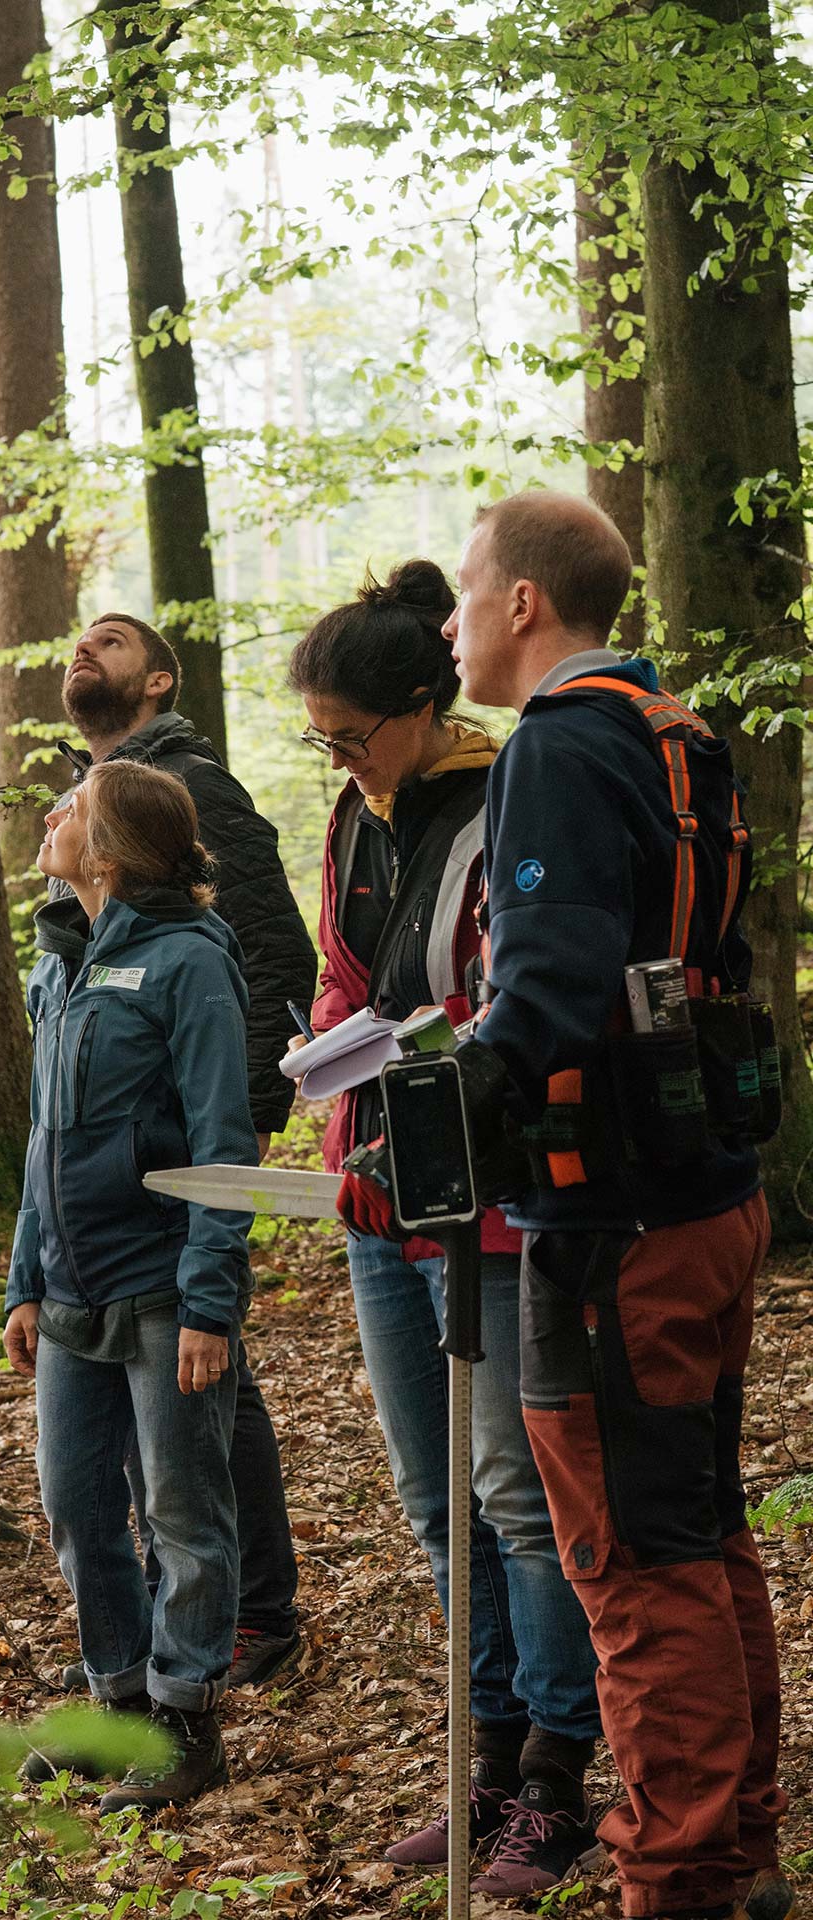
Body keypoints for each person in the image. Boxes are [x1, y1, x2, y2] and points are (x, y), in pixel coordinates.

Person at [406, 488, 785, 1920]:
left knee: (634, 1563)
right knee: (696, 1531)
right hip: (702, 1187)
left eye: (464, 591)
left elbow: (552, 992)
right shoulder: (675, 729)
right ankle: (733, 1850)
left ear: (522, 605)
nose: (444, 623)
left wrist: (437, 1107)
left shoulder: (561, 747)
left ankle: (679, 1875)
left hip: (616, 1218)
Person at [288, 563, 604, 1896]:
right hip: (376, 1198)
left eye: (355, 740)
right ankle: (479, 1762)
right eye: (326, 747)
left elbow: (492, 1009)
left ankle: (553, 1780)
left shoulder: (503, 797)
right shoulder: (356, 825)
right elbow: (345, 982)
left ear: (421, 706)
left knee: (511, 1498)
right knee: (434, 1501)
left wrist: (407, 1124)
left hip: (487, 1199)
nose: (346, 766)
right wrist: (340, 1123)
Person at [50, 613, 317, 1687]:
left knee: (207, 1380)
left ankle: (251, 1612)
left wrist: (245, 1122)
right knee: (188, 1393)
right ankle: (187, 1623)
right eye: (77, 640)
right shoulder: (98, 802)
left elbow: (269, 947)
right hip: (109, 1184)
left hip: (194, 1139)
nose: (83, 650)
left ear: (157, 680)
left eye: (109, 642)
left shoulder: (192, 785)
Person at [4, 757, 257, 1810]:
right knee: (73, 1506)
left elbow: (222, 1138)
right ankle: (111, 1707)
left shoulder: (188, 962)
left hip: (160, 1286)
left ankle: (185, 1721)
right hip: (68, 1289)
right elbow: (42, 1140)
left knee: (180, 1507)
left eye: (72, 806)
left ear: (107, 850)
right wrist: (22, 1278)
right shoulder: (59, 964)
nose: (51, 816)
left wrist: (210, 1297)